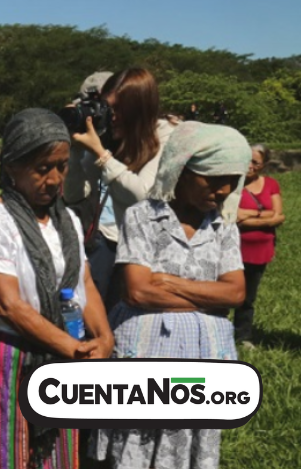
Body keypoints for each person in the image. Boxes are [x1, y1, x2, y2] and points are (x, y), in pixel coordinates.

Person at [0, 108, 113, 469]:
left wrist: (103, 338)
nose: (55, 178)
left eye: (62, 165)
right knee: (0, 451)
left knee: (54, 454)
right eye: (43, 168)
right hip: (9, 358)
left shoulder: (66, 220)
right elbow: (9, 305)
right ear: (11, 167)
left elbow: (82, 282)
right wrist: (75, 350)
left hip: (60, 354)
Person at [91, 121, 250, 469]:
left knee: (189, 441)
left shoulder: (224, 227)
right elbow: (136, 291)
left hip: (205, 355)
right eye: (213, 178)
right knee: (137, 442)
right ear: (181, 169)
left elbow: (236, 292)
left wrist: (168, 282)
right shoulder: (142, 218)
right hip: (147, 352)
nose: (223, 190)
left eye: (232, 181)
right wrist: (211, 297)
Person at [64, 68, 173, 307]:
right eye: (106, 107)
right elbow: (74, 195)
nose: (111, 115)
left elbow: (142, 195)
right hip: (107, 237)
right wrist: (76, 151)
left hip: (149, 249)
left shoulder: (164, 136)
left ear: (139, 110)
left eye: (118, 109)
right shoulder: (109, 136)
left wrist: (101, 155)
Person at [235, 143, 284, 347]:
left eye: (255, 162)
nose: (250, 165)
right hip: (234, 248)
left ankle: (242, 335)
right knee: (223, 293)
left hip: (260, 249)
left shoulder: (271, 184)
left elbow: (279, 216)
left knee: (248, 296)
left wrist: (248, 217)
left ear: (263, 165)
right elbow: (233, 217)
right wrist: (264, 215)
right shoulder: (233, 183)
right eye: (247, 159)